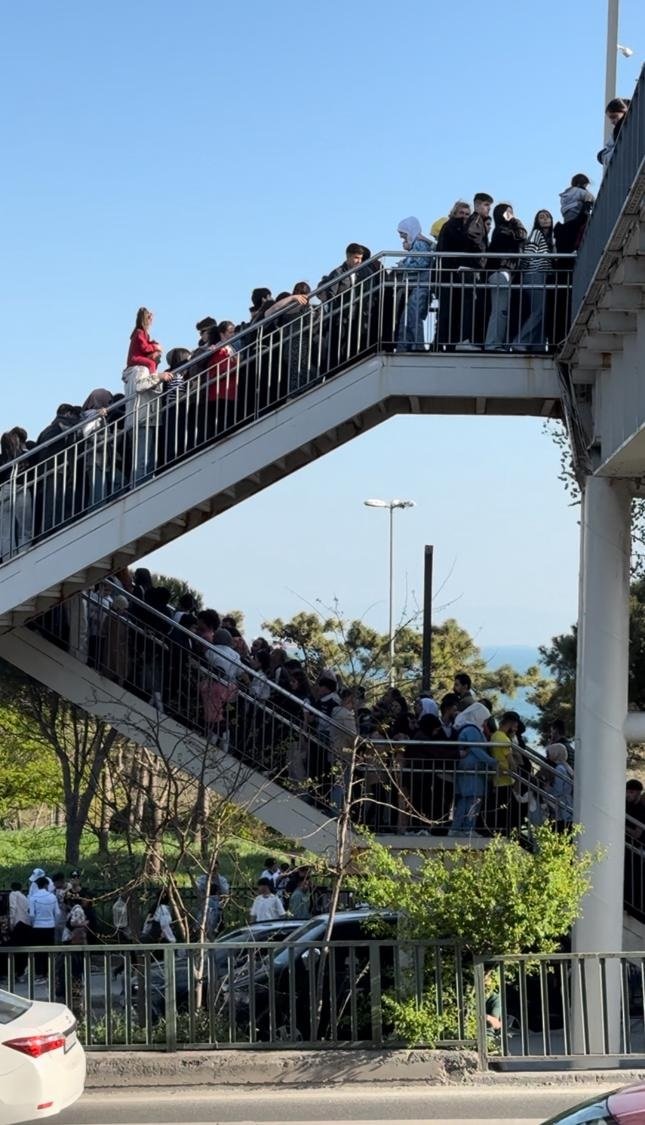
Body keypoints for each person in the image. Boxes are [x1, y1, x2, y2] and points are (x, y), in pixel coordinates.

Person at [121, 308, 172, 483]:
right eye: (158, 355)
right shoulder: (141, 368)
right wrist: (157, 377)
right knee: (142, 461)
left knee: (149, 461)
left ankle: (144, 484)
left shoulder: (146, 366)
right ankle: (138, 489)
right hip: (141, 418)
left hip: (148, 418)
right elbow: (140, 385)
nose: (159, 359)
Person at [484, 204, 527, 351]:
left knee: (503, 311)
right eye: (508, 212)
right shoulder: (502, 230)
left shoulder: (504, 230)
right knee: (500, 310)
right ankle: (492, 343)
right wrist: (515, 220)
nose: (511, 215)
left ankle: (496, 342)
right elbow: (522, 235)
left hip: (505, 273)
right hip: (500, 272)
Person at [449, 703, 497, 836]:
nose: (486, 722)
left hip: (469, 770)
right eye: (485, 718)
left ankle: (458, 828)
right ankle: (466, 829)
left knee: (466, 800)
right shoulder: (472, 730)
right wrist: (493, 762)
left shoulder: (468, 728)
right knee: (473, 800)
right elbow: (476, 749)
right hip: (472, 771)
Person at [317, 243, 365, 373]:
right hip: (339, 318)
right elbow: (330, 296)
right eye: (356, 258)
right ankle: (330, 373)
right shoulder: (338, 272)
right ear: (348, 257)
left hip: (353, 316)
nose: (359, 261)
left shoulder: (359, 272)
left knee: (347, 347)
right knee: (335, 347)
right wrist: (338, 311)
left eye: (360, 258)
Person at [514, 210, 555, 351]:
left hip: (542, 276)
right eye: (541, 217)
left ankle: (537, 346)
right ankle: (520, 341)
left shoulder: (550, 238)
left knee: (541, 312)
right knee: (538, 311)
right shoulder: (537, 234)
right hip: (534, 274)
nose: (545, 220)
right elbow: (528, 256)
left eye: (547, 216)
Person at [458, 192, 493, 349]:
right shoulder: (476, 219)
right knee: (470, 305)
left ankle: (468, 340)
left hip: (471, 266)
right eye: (486, 205)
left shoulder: (477, 220)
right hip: (471, 267)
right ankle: (466, 340)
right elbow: (471, 235)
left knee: (472, 304)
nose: (488, 209)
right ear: (478, 205)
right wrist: (481, 253)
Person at [395, 216, 434, 350]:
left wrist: (402, 266)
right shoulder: (417, 244)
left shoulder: (420, 244)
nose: (402, 237)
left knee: (413, 316)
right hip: (418, 285)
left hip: (421, 285)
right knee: (408, 317)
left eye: (403, 234)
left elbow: (421, 263)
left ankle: (417, 346)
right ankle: (407, 345)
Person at [436, 200, 471, 348]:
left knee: (454, 311)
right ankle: (443, 343)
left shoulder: (459, 227)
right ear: (455, 213)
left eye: (467, 214)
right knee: (448, 311)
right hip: (449, 274)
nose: (464, 216)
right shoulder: (451, 226)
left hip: (455, 275)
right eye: (461, 213)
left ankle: (447, 342)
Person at [488, 711, 521, 834]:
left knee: (499, 808)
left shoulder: (494, 736)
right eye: (515, 725)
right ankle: (507, 833)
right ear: (511, 723)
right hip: (506, 778)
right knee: (508, 810)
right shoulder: (504, 738)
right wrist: (517, 777)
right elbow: (511, 760)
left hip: (497, 777)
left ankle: (498, 831)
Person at [28, 875, 61, 979]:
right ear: (46, 884)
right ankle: (49, 971)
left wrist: (33, 924)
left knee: (38, 950)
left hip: (37, 926)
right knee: (49, 950)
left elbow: (32, 914)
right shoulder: (52, 897)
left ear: (37, 885)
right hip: (50, 926)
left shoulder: (33, 898)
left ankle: (39, 973)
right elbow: (58, 912)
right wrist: (54, 923)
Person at [555, 175, 594, 254]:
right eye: (586, 185)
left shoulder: (565, 194)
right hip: (578, 215)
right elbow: (591, 198)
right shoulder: (580, 191)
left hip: (567, 218)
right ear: (582, 184)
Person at [544, 743, 574, 831]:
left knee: (561, 828)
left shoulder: (559, 769)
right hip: (568, 802)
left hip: (562, 804)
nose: (547, 756)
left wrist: (548, 790)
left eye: (549, 753)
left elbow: (558, 790)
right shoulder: (566, 766)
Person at [597, 97, 631, 168]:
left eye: (614, 117)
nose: (612, 121)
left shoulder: (632, 123)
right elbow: (607, 150)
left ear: (624, 111)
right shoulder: (615, 134)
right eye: (610, 118)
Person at [8, 882, 31, 979]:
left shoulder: (13, 894)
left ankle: (16, 971)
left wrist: (11, 922)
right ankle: (21, 971)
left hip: (18, 923)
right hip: (26, 923)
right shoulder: (24, 897)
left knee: (15, 949)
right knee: (23, 949)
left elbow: (12, 908)